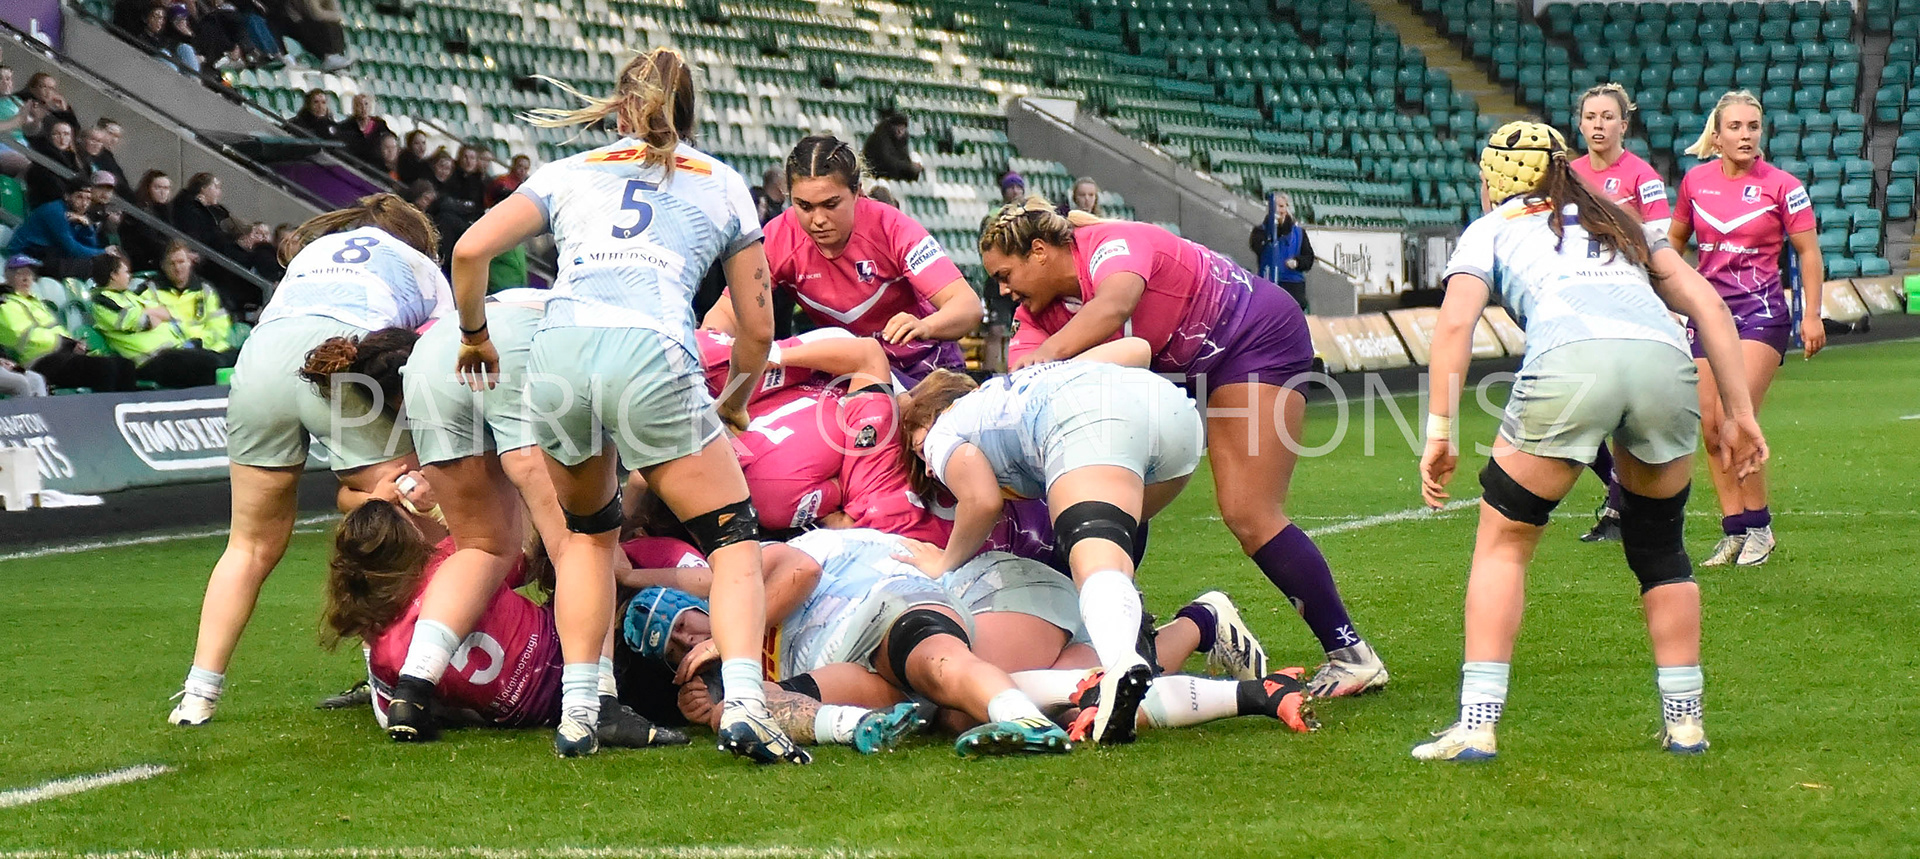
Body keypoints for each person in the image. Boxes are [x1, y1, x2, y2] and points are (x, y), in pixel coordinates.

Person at [447, 47, 799, 761]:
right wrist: (733, 400)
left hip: (559, 353)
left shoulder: (569, 172)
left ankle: (580, 711)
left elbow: (468, 249)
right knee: (732, 540)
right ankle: (746, 709)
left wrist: (476, 336)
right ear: (690, 110)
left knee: (587, 535)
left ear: (618, 105)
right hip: (650, 351)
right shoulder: (725, 184)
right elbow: (758, 327)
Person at [1411, 120, 1770, 761]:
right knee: (1662, 549)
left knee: (1504, 545)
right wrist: (1740, 414)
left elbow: (1454, 324)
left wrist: (1439, 431)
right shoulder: (1620, 219)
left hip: (1572, 362)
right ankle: (1686, 723)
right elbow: (1709, 307)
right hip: (1664, 361)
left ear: (1494, 178)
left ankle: (1477, 725)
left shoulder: (1490, 228)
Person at [984, 197, 1390, 698]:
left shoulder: (1110, 244)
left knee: (1249, 512)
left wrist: (1048, 355)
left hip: (1253, 336)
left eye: (1006, 274)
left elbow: (1115, 303)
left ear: (1040, 252)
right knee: (1109, 494)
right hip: (1184, 373)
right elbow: (1028, 393)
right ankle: (1122, 634)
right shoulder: (1035, 318)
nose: (1003, 291)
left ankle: (1351, 655)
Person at [165, 193, 452, 727]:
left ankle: (198, 694)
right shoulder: (425, 270)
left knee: (248, 544)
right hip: (346, 360)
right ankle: (395, 674)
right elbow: (441, 356)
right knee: (410, 518)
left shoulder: (314, 253)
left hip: (261, 361)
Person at [897, 353, 1204, 745]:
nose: (926, 468)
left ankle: (1118, 664)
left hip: (1091, 418)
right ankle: (1131, 637)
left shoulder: (946, 431)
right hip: (1175, 416)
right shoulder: (1007, 394)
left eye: (918, 447)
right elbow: (1135, 347)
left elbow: (982, 501)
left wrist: (943, 562)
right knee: (1109, 544)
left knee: (1094, 556)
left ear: (932, 416)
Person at [628, 528, 1074, 756]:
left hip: (879, 608)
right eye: (675, 648)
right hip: (860, 673)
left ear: (700, 599)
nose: (689, 640)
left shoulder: (749, 571)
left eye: (683, 622)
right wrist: (708, 712)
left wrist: (725, 639)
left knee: (936, 663)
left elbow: (803, 572)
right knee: (957, 716)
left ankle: (1024, 719)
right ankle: (857, 729)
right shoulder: (743, 668)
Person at [1671, 91, 1823, 568]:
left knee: (1737, 419)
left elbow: (1809, 253)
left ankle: (1760, 527)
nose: (1745, 135)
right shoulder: (1695, 181)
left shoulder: (1783, 186)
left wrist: (1812, 313)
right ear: (1716, 136)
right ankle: (1734, 530)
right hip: (1708, 315)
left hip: (1762, 313)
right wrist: (1671, 301)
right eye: (1735, 127)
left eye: (1752, 126)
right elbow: (1673, 244)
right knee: (1712, 428)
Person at [704, 135, 985, 386]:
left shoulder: (892, 227)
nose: (818, 220)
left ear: (857, 192)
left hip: (925, 368)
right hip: (850, 371)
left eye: (830, 204)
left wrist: (927, 326)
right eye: (804, 206)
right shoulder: (780, 236)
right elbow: (727, 312)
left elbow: (967, 306)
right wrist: (709, 347)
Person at [1565, 83, 1675, 543]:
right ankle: (1620, 498)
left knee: (1616, 411)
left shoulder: (1641, 176)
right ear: (1580, 122)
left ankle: (1624, 506)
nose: (1598, 125)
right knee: (1577, 410)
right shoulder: (1567, 174)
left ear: (1623, 125)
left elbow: (1660, 242)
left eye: (1607, 117)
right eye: (1591, 117)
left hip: (1628, 307)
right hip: (1580, 307)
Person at [1, 254, 137, 391]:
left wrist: (73, 343)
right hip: (39, 360)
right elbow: (23, 337)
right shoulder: (5, 305)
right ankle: (104, 409)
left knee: (125, 365)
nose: (26, 278)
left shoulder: (35, 302)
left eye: (29, 274)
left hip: (59, 355)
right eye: (20, 274)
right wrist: (64, 343)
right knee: (106, 368)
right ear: (8, 277)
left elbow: (56, 329)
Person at [88, 251, 224, 387]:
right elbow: (142, 321)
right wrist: (152, 315)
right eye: (125, 272)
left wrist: (155, 314)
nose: (129, 276)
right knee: (211, 364)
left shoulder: (129, 296)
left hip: (174, 350)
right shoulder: (102, 301)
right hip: (150, 360)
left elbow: (166, 312)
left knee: (224, 358)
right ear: (113, 276)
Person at [140, 240, 236, 355]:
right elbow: (155, 327)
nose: (177, 268)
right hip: (175, 352)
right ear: (163, 266)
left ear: (190, 262)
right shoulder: (151, 290)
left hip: (211, 348)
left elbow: (219, 326)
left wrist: (199, 343)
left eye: (181, 262)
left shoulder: (206, 289)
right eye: (172, 263)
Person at [7, 178, 107, 278]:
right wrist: (104, 253)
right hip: (24, 253)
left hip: (45, 254)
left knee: (91, 264)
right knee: (87, 266)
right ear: (67, 196)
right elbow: (71, 248)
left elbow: (90, 247)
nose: (84, 203)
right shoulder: (55, 211)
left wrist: (87, 228)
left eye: (88, 199)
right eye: (79, 197)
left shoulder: (77, 216)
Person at [1248, 191, 1314, 309]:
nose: (1278, 210)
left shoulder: (1299, 233)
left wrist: (1297, 262)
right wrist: (1272, 229)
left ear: (1287, 208)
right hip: (1268, 282)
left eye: (1282, 206)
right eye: (1275, 206)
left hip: (1293, 286)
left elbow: (1309, 258)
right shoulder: (1260, 231)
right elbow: (1257, 247)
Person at [24, 119, 87, 209]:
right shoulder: (42, 159)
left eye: (66, 134)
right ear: (50, 137)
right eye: (56, 134)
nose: (62, 138)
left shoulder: (77, 161)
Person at [169, 172, 233, 260]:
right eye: (216, 187)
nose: (219, 192)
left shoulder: (217, 210)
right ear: (203, 188)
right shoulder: (188, 207)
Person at [122, 170, 175, 270]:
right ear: (148, 188)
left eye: (166, 188)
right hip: (143, 263)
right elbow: (151, 242)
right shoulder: (139, 211)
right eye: (158, 187)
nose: (163, 192)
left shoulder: (167, 210)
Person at [0, 65, 44, 176]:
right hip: (4, 148)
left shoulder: (16, 100)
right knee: (33, 169)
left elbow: (30, 130)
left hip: (23, 147)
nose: (5, 83)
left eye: (8, 79)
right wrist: (18, 120)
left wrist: (37, 119)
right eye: (0, 79)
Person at [333, 93, 392, 165]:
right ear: (354, 108)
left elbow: (390, 139)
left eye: (366, 104)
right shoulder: (345, 126)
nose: (363, 108)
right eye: (359, 105)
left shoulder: (380, 125)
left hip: (377, 166)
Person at [862, 113, 921, 182]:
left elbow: (904, 156)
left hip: (894, 169)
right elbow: (887, 160)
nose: (900, 131)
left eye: (902, 128)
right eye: (897, 127)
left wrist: (911, 167)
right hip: (877, 170)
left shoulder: (904, 137)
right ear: (891, 126)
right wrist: (908, 166)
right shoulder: (881, 135)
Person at [86, 170, 123, 251]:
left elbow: (114, 243)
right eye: (100, 188)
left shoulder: (109, 212)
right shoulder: (83, 205)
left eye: (109, 189)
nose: (104, 193)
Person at [445, 145, 487, 209]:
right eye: (465, 157)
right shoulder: (450, 176)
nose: (468, 161)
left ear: (477, 161)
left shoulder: (481, 183)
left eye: (472, 158)